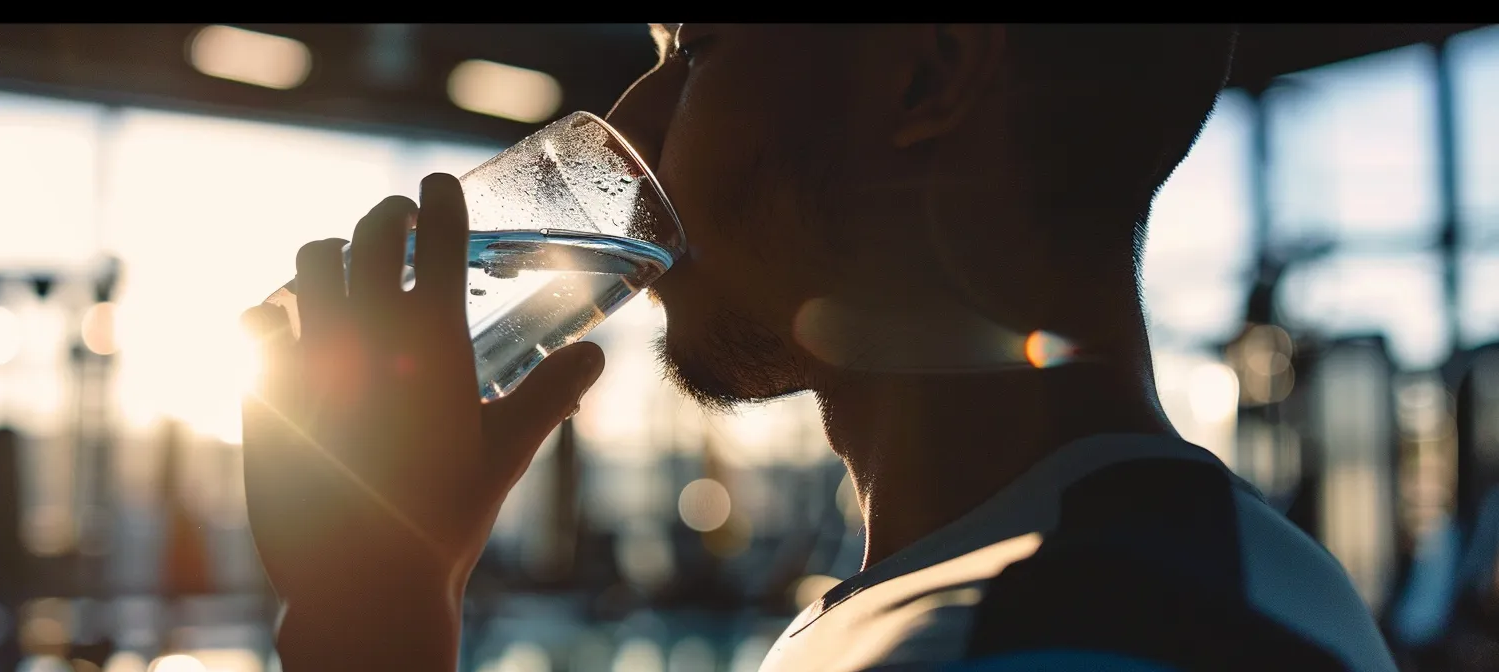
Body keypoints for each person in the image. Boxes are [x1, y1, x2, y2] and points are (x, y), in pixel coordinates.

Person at [239, 24, 1397, 671]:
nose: (630, 131)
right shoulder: (1140, 577)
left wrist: (370, 613)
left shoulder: (1067, 637)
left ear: (925, 74)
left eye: (695, 51)